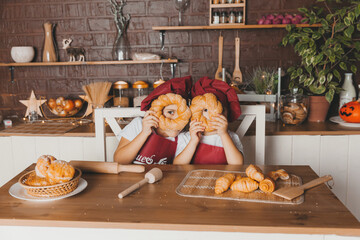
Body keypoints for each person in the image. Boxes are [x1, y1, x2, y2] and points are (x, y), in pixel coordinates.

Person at [113, 76, 192, 165]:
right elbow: (119, 160)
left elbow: (177, 169)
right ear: (156, 111)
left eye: (181, 114)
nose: (176, 119)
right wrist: (144, 133)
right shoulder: (138, 125)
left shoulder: (182, 139)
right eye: (170, 112)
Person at [173, 77, 244, 165]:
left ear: (227, 114)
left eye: (221, 110)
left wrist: (224, 134)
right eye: (206, 110)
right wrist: (193, 141)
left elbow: (237, 165)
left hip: (221, 178)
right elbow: (177, 166)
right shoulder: (186, 137)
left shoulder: (231, 137)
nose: (213, 115)